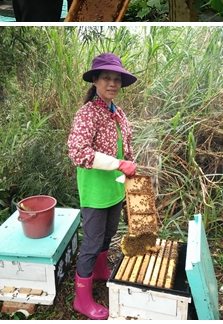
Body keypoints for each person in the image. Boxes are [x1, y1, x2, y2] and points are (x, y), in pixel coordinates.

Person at [67, 53, 138, 320]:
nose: (112, 83)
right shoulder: (87, 114)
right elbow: (78, 152)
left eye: (117, 79)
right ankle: (81, 300)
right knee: (92, 243)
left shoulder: (116, 112)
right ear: (95, 80)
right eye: (106, 78)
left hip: (114, 190)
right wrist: (120, 164)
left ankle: (99, 272)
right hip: (95, 192)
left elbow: (126, 149)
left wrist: (129, 167)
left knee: (108, 235)